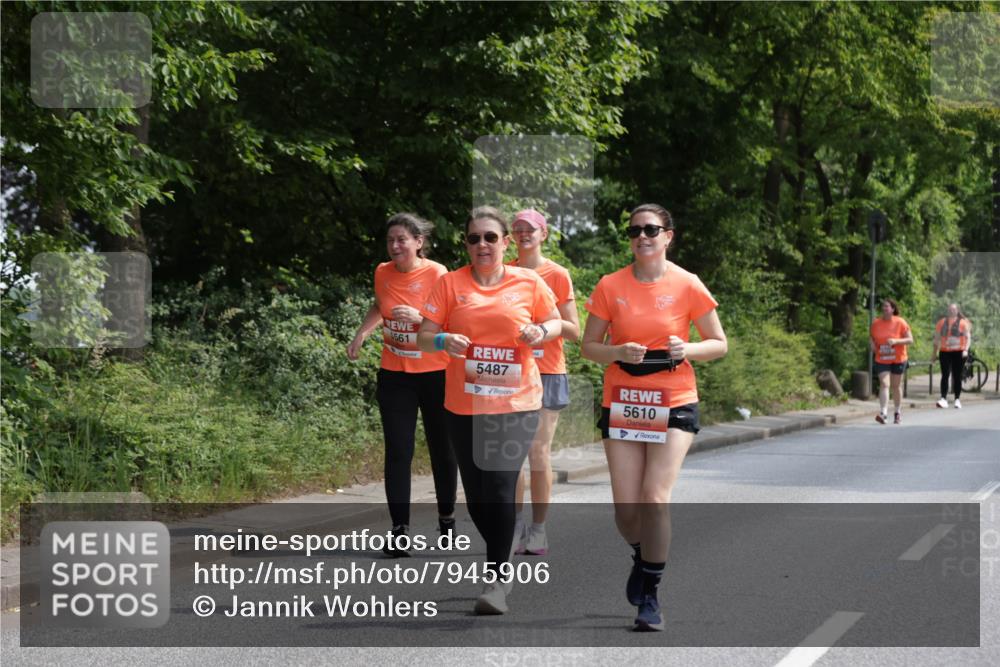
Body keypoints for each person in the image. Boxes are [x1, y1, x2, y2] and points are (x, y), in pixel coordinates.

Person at [581, 204, 727, 632]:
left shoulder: (687, 284)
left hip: (674, 399)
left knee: (654, 496)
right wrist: (617, 352)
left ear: (668, 236)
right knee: (627, 512)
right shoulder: (611, 285)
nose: (642, 236)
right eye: (634, 230)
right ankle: (642, 557)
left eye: (651, 229)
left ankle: (650, 594)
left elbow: (718, 342)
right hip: (623, 400)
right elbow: (589, 346)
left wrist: (689, 349)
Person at [416, 206, 562, 615]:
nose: (482, 244)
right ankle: (503, 551)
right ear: (465, 244)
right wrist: (444, 340)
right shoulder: (449, 284)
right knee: (479, 499)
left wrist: (539, 331)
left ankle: (497, 579)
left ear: (505, 242)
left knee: (500, 487)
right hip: (463, 404)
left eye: (490, 237)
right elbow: (424, 337)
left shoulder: (528, 281)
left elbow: (557, 323)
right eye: (473, 238)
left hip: (516, 402)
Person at [347, 213, 458, 556]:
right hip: (395, 373)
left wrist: (421, 317)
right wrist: (363, 332)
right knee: (398, 451)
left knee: (442, 450)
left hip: (437, 372)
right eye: (391, 240)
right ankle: (400, 531)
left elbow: (453, 319)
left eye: (402, 240)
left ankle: (447, 520)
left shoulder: (439, 274)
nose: (395, 246)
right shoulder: (382, 271)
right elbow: (380, 305)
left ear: (418, 242)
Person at [508, 209, 580, 556]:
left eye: (530, 229)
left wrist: (540, 329)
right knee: (511, 455)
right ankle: (515, 526)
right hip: (510, 371)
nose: (524, 234)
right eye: (518, 229)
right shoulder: (502, 271)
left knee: (537, 452)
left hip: (547, 370)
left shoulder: (557, 274)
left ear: (544, 234)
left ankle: (539, 529)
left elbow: (574, 329)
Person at [869, 298, 914, 424]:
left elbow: (910, 340)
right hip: (882, 358)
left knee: (896, 386)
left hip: (898, 358)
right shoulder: (876, 323)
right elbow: (871, 338)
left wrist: (896, 341)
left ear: (893, 309)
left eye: (887, 306)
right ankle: (883, 413)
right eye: (883, 306)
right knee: (884, 384)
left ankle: (897, 411)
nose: (884, 308)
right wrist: (872, 345)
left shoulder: (900, 322)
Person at [932, 303, 972, 409]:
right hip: (945, 351)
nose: (951, 311)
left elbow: (968, 338)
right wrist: (934, 353)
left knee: (957, 375)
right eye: (949, 309)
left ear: (957, 311)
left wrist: (966, 350)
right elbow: (936, 339)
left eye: (953, 309)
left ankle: (957, 399)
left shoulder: (963, 323)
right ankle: (943, 398)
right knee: (945, 375)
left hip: (959, 352)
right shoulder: (941, 323)